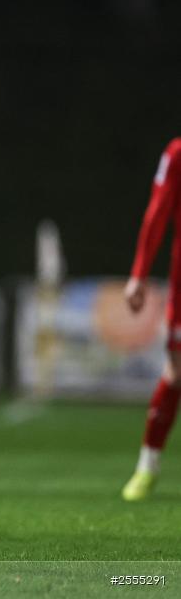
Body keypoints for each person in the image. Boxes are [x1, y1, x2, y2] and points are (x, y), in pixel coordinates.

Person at [123, 138, 181, 501]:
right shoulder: (177, 154)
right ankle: (148, 464)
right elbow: (158, 210)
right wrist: (138, 274)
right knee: (176, 371)